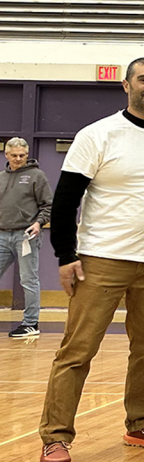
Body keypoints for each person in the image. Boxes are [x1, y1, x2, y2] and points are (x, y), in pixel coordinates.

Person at [38, 57, 144, 462]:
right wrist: (66, 256)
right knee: (77, 351)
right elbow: (66, 199)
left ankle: (141, 423)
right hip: (100, 260)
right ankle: (55, 438)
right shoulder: (98, 135)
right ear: (126, 86)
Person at [0, 137, 51, 339]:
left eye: (22, 155)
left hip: (26, 236)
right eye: (14, 155)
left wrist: (39, 223)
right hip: (2, 235)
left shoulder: (37, 176)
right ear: (6, 155)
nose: (18, 158)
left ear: (27, 155)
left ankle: (31, 323)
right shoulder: (1, 177)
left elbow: (47, 205)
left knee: (29, 280)